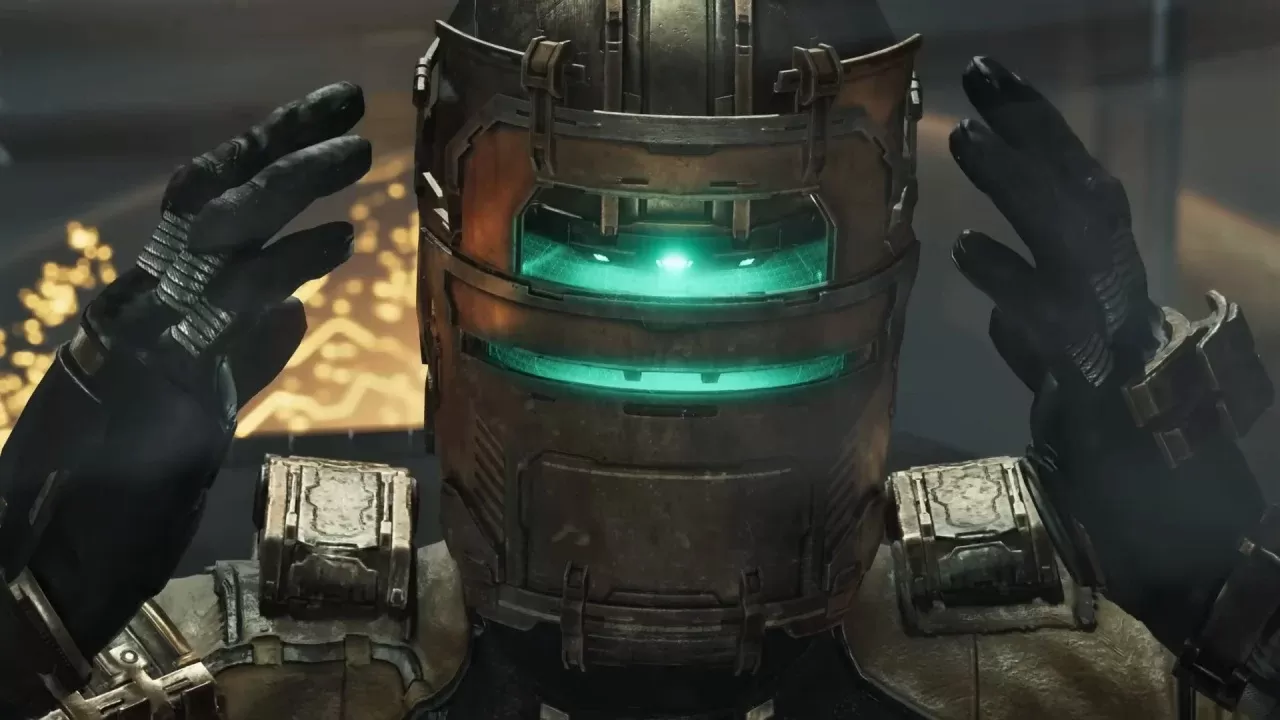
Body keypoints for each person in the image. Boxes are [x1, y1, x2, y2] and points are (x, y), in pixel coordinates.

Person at [2, 1, 1278, 718]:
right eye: (588, 240)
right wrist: (30, 617)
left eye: (753, 246)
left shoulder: (1053, 678)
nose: (671, 323)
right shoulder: (260, 676)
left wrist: (1225, 604)